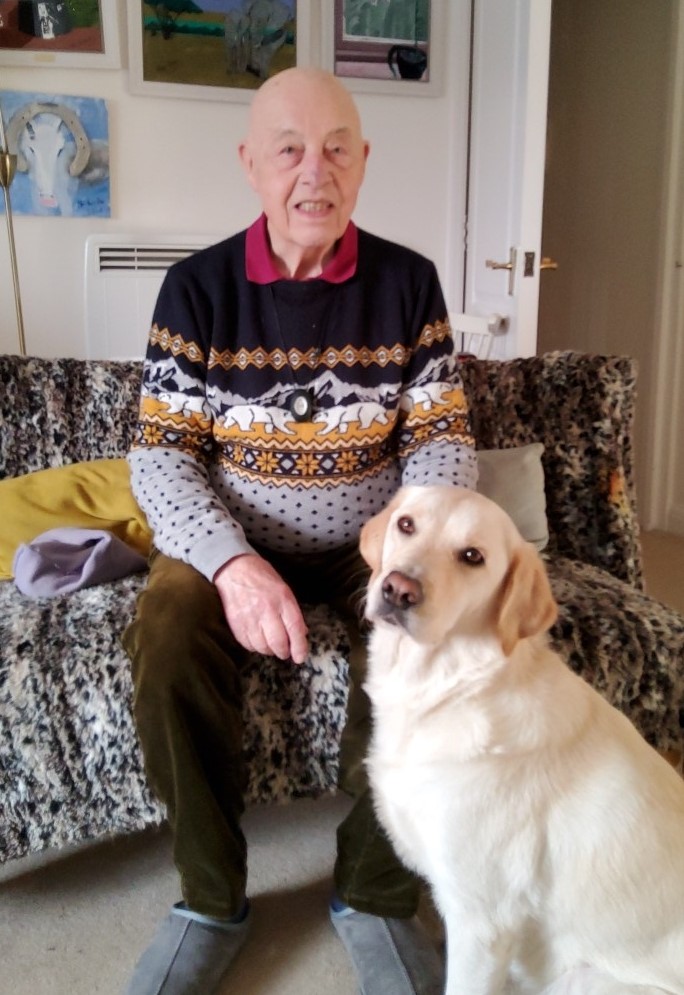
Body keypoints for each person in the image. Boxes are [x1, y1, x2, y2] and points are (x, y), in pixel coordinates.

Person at [122, 66, 477, 995]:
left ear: (363, 162)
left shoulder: (410, 284)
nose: (311, 171)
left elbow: (444, 444)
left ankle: (375, 894)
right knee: (163, 628)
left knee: (435, 638)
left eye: (335, 148)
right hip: (235, 540)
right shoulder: (196, 291)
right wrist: (234, 565)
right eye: (288, 148)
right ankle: (209, 897)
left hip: (374, 543)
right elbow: (161, 458)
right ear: (251, 163)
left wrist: (399, 557)